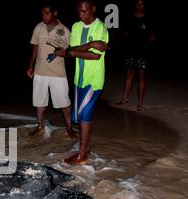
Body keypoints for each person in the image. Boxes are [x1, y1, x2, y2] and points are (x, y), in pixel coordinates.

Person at [54, 0, 108, 165]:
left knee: (84, 116)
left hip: (94, 79)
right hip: (79, 78)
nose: (81, 15)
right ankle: (86, 148)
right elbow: (75, 46)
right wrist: (89, 45)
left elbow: (95, 55)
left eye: (84, 11)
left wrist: (71, 52)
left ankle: (82, 153)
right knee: (81, 116)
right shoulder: (76, 26)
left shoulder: (101, 28)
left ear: (93, 9)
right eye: (79, 11)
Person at [27, 1, 75, 139]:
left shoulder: (63, 30)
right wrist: (31, 65)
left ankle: (69, 127)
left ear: (54, 13)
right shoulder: (39, 27)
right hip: (40, 71)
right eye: (42, 13)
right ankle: (40, 126)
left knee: (64, 103)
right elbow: (35, 46)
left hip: (57, 73)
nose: (44, 16)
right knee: (39, 103)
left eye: (47, 13)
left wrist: (59, 53)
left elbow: (67, 50)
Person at [116, 0, 156, 111]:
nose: (139, 5)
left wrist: (145, 46)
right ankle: (125, 98)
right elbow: (125, 34)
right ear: (135, 5)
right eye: (138, 3)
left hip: (143, 52)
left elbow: (152, 37)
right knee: (129, 75)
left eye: (142, 4)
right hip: (130, 51)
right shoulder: (129, 18)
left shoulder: (148, 19)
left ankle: (140, 103)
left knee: (141, 77)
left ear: (144, 6)